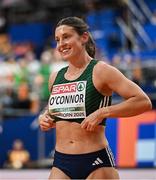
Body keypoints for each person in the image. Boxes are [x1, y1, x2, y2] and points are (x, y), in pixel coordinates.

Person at [38, 16, 152, 179]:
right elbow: (53, 110)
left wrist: (102, 112)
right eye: (57, 40)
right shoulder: (55, 77)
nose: (60, 44)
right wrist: (45, 117)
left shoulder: (101, 71)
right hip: (61, 162)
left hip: (95, 161)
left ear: (83, 37)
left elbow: (143, 101)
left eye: (66, 37)